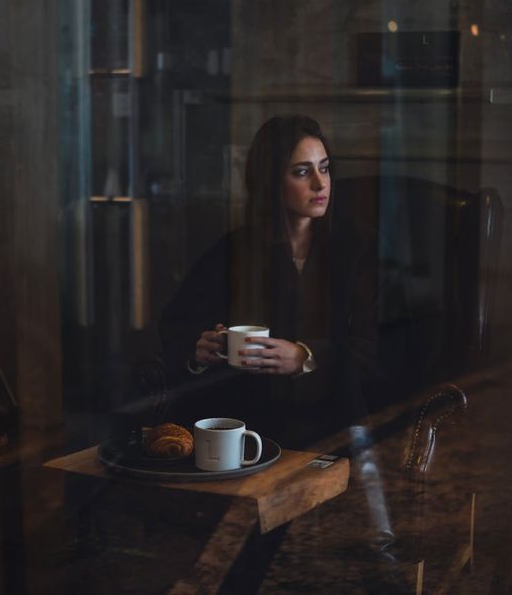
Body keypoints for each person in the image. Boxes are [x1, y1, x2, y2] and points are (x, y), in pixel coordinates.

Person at [159, 115, 378, 448]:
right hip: (250, 425)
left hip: (334, 423)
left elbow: (379, 342)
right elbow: (177, 328)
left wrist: (305, 356)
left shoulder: (356, 249)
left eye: (325, 168)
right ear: (271, 180)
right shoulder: (233, 252)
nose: (321, 184)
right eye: (302, 172)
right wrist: (198, 351)